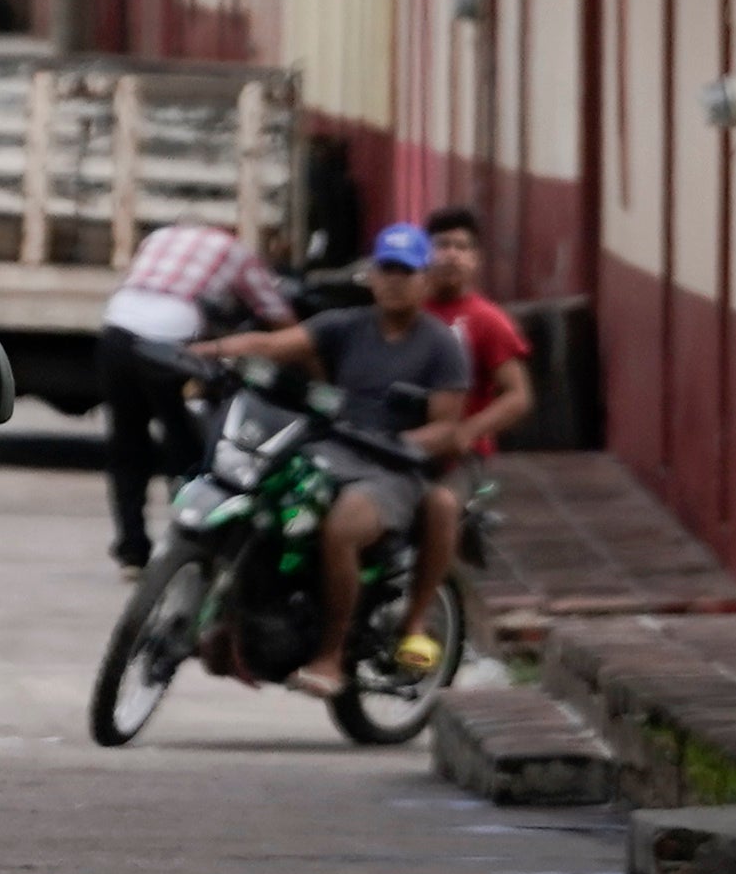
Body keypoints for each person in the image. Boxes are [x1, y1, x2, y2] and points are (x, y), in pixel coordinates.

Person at [199, 224, 470, 699]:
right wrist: (208, 353)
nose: (395, 280)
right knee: (259, 502)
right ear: (372, 274)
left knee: (343, 529)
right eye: (387, 269)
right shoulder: (345, 324)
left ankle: (331, 655)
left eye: (407, 272)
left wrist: (406, 442)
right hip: (328, 449)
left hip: (392, 469)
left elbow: (447, 427)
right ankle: (233, 623)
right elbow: (272, 346)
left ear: (425, 280)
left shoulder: (441, 346)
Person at [96, 219, 300, 573]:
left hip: (116, 327)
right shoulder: (236, 253)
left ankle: (131, 547)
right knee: (184, 441)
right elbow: (276, 314)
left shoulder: (160, 236)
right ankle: (190, 539)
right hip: (169, 339)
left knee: (127, 443)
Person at [418, 206, 541, 460]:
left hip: (463, 455)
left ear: (476, 259)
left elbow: (518, 396)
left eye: (462, 248)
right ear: (424, 254)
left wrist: (468, 432)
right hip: (406, 442)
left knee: (440, 501)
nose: (452, 255)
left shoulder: (489, 320)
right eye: (442, 245)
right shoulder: (409, 311)